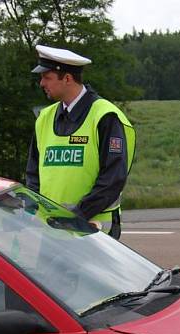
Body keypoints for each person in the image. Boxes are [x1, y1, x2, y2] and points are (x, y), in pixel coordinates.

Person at [25, 45, 135, 240]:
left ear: (67, 78)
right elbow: (33, 173)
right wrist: (38, 210)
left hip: (93, 228)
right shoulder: (44, 118)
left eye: (46, 77)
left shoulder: (104, 116)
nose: (41, 83)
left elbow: (113, 178)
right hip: (52, 229)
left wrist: (76, 215)